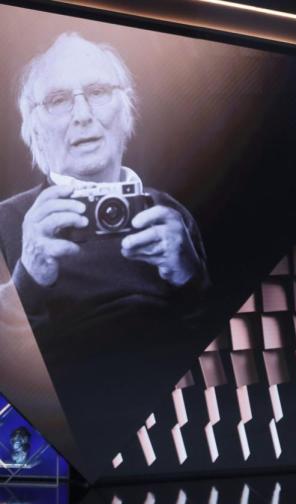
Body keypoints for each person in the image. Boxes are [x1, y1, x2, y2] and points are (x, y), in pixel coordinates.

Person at [0, 32, 207, 355]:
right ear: (34, 127)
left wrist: (189, 278)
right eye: (58, 100)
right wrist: (27, 280)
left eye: (97, 92)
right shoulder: (5, 222)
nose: (82, 115)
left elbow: (218, 345)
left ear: (125, 112)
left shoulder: (170, 216)